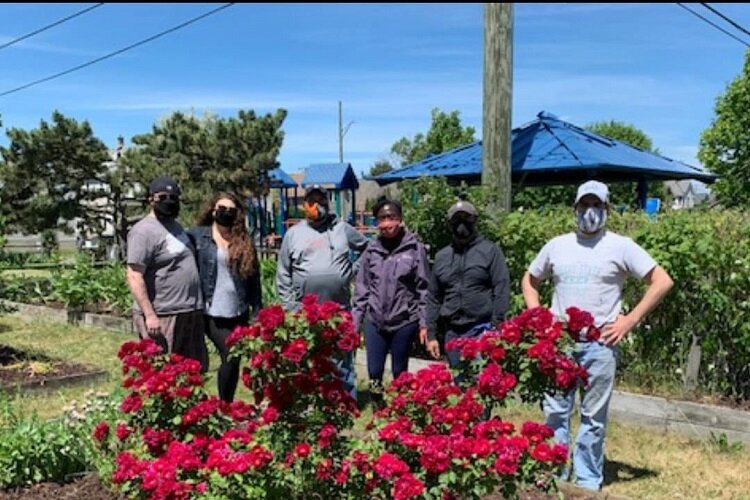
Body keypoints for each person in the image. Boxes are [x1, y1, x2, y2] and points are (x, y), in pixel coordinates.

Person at [521, 180, 674, 491]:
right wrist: (538, 317)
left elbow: (662, 281)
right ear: (575, 208)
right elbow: (530, 279)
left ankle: (587, 483)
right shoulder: (557, 245)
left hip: (600, 345)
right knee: (554, 413)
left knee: (593, 417)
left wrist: (630, 320)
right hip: (560, 342)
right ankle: (553, 476)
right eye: (584, 205)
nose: (589, 211)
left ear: (607, 209)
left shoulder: (621, 246)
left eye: (597, 205)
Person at [276, 184, 369, 397]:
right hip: (304, 311)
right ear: (304, 205)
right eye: (311, 201)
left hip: (339, 308)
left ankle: (346, 401)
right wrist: (291, 305)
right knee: (308, 359)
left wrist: (352, 271)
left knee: (342, 356)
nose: (316, 206)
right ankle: (313, 403)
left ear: (328, 203)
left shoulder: (342, 229)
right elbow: (283, 272)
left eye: (321, 201)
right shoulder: (293, 234)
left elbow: (367, 248)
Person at [352, 197, 431, 407]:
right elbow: (362, 290)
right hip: (374, 319)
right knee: (374, 371)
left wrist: (425, 324)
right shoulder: (371, 251)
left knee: (399, 371)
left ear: (400, 219)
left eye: (392, 217)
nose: (387, 223)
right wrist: (355, 324)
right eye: (382, 219)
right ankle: (379, 410)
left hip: (404, 320)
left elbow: (424, 289)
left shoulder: (415, 249)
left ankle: (401, 410)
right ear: (377, 223)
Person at [126, 176, 207, 370]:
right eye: (163, 197)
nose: (169, 201)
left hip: (188, 311)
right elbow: (134, 275)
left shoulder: (176, 227)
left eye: (174, 196)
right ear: (150, 200)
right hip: (163, 314)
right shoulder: (143, 231)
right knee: (164, 371)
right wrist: (149, 314)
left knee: (193, 370)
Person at [426, 199, 511, 379]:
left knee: (482, 385)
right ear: (450, 224)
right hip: (453, 332)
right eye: (456, 220)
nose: (461, 225)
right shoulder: (442, 256)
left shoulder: (490, 251)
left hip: (482, 328)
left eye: (467, 219)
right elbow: (433, 297)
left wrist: (496, 328)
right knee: (460, 386)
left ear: (475, 221)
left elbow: (501, 289)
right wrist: (432, 334)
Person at [190, 192, 262, 402]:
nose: (226, 214)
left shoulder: (243, 240)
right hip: (212, 311)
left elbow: (253, 280)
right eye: (221, 209)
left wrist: (257, 313)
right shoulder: (198, 237)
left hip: (238, 311)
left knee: (235, 358)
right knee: (230, 353)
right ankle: (222, 405)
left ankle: (226, 405)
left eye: (231, 211)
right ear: (213, 211)